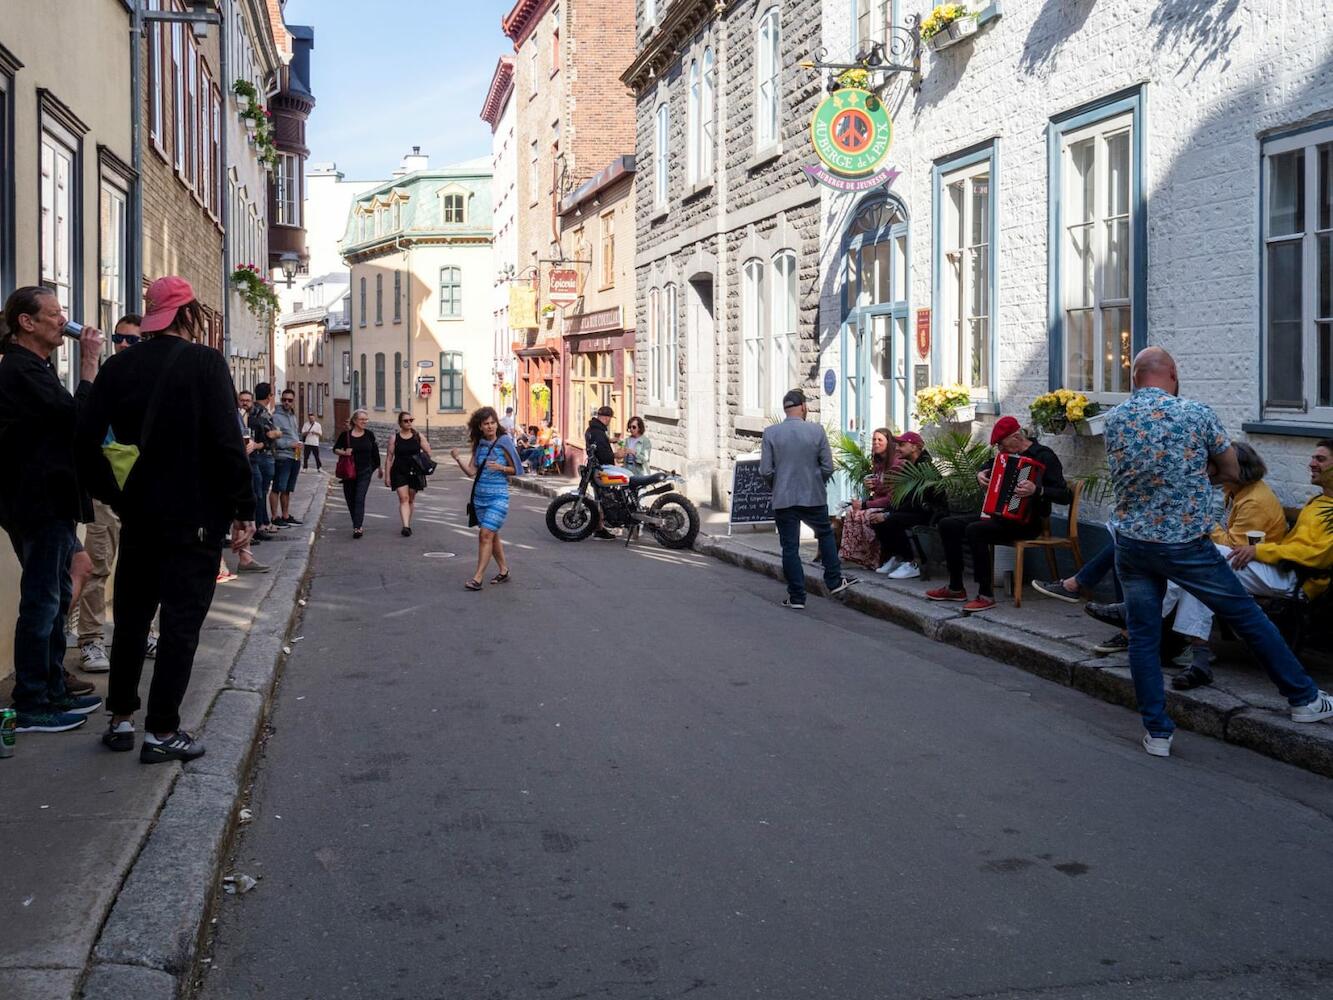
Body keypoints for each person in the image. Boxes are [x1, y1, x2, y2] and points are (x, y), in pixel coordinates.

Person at [1105, 346, 1332, 758]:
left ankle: (1158, 733)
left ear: (1134, 378)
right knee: (1246, 615)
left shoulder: (1115, 419)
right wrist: (1199, 473)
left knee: (1142, 635)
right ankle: (1303, 699)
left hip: (1134, 544)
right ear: (1172, 373)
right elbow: (1231, 471)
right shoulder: (1197, 414)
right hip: (1185, 544)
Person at [78, 275, 256, 762]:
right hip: (195, 519)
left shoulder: (118, 368)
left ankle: (120, 718)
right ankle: (161, 731)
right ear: (189, 314)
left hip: (139, 516)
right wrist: (244, 508)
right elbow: (226, 443)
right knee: (179, 626)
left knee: (132, 619)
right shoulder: (205, 363)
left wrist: (113, 495)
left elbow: (86, 439)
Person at [0, 286, 106, 732]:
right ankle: (31, 702)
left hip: (51, 500)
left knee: (58, 594)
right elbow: (75, 423)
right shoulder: (21, 370)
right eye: (54, 313)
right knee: (43, 601)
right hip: (38, 503)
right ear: (27, 322)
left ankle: (52, 689)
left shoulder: (35, 367)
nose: (63, 320)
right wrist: (88, 365)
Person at [1161, 441, 1302, 690]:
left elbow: (1236, 547)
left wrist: (1204, 523)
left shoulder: (1254, 501)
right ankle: (1196, 654)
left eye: (1216, 464)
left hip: (1267, 569)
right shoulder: (1237, 491)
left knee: (1206, 560)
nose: (1209, 470)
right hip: (1250, 564)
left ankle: (1156, 620)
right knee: (1202, 567)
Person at [78, 314, 159, 673]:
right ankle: (91, 640)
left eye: (132, 340)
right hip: (106, 490)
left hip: (143, 487)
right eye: (118, 338)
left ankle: (145, 633)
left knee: (146, 567)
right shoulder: (106, 378)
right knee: (97, 566)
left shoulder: (151, 380)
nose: (124, 345)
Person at [926, 416, 1071, 613]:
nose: (1000, 451)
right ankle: (955, 587)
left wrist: (1037, 490)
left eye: (1001, 445)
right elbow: (987, 466)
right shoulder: (1004, 457)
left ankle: (985, 595)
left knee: (975, 530)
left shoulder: (1044, 456)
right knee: (947, 524)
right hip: (1000, 518)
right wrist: (981, 473)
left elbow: (1064, 495)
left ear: (1016, 437)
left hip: (1028, 523)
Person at [759, 389, 857, 610]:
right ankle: (833, 580)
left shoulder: (771, 433)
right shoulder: (816, 431)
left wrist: (777, 484)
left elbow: (765, 470)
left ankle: (796, 597)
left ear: (785, 409)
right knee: (825, 533)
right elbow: (828, 466)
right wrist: (815, 480)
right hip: (812, 495)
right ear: (803, 406)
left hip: (784, 498)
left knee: (790, 548)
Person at [450, 406, 522, 590]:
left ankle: (478, 578)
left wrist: (502, 468)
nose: (490, 427)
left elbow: (518, 469)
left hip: (498, 497)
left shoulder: (504, 441)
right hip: (480, 498)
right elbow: (471, 472)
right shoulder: (480, 444)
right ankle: (504, 570)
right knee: (492, 535)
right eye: (486, 424)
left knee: (485, 535)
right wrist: (458, 459)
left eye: (493, 423)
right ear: (480, 427)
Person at [867, 431, 935, 579]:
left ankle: (912, 562)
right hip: (912, 509)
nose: (897, 448)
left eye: (902, 445)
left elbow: (916, 503)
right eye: (897, 445)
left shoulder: (924, 468)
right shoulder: (910, 466)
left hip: (927, 513)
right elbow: (900, 498)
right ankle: (898, 558)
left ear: (915, 447)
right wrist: (885, 512)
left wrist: (887, 514)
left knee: (890, 519)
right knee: (876, 518)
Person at [840, 428, 898, 568]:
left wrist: (865, 504)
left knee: (865, 515)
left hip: (889, 505)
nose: (876, 443)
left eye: (880, 440)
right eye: (874, 440)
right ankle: (853, 557)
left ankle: (873, 558)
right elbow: (879, 490)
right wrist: (872, 487)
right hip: (878, 502)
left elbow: (890, 497)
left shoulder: (896, 464)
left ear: (888, 443)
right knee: (851, 514)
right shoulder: (878, 463)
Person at [333, 409, 381, 538]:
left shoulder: (369, 434)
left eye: (366, 419)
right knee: (351, 500)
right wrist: (344, 453)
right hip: (349, 473)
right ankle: (356, 522)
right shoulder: (346, 435)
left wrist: (378, 467)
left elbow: (375, 452)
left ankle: (357, 527)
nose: (365, 422)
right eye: (362, 419)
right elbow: (335, 449)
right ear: (355, 421)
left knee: (359, 498)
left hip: (365, 471)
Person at [384, 410, 432, 537]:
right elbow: (389, 458)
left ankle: (407, 523)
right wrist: (387, 476)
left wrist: (425, 446)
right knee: (403, 498)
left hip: (414, 472)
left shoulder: (417, 436)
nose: (409, 422)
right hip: (399, 471)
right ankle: (405, 526)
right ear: (400, 423)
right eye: (406, 421)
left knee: (410, 499)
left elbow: (428, 451)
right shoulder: (395, 438)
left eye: (411, 420)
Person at [248, 382, 281, 538]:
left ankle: (264, 522)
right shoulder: (263, 414)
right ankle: (261, 525)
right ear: (269, 396)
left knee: (259, 491)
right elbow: (270, 434)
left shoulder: (251, 411)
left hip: (256, 455)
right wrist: (278, 433)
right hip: (264, 455)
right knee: (261, 491)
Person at [585, 405, 620, 540]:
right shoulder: (599, 433)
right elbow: (604, 455)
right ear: (606, 418)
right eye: (610, 418)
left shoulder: (592, 429)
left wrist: (609, 440)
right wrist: (617, 454)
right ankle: (600, 527)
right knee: (603, 499)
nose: (610, 421)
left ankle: (599, 527)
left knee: (598, 498)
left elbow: (597, 445)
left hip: (594, 468)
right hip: (601, 469)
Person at [271, 388, 302, 525]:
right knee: (278, 487)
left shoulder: (292, 416)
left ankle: (285, 515)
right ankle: (274, 517)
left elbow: (294, 434)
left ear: (293, 401)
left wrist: (298, 444)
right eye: (284, 400)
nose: (286, 403)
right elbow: (275, 439)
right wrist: (291, 443)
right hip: (282, 456)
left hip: (294, 456)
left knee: (288, 488)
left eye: (289, 400)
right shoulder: (276, 417)